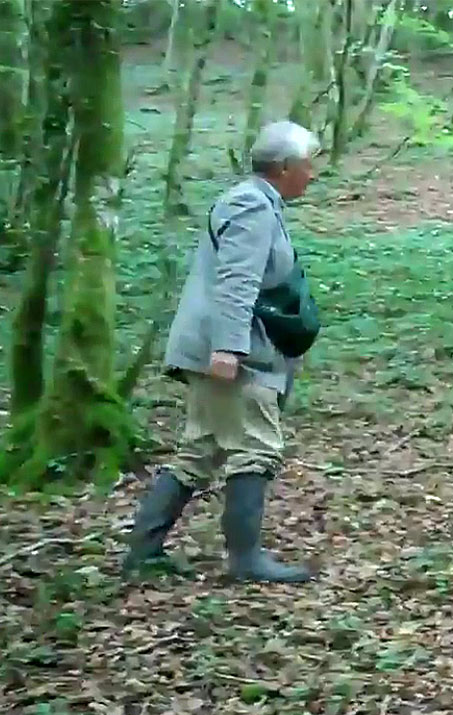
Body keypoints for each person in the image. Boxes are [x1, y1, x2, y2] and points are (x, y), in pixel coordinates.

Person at [122, 120, 323, 584]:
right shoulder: (251, 205)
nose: (312, 175)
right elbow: (237, 283)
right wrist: (229, 350)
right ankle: (246, 560)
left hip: (229, 350)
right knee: (257, 446)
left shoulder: (259, 204)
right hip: (234, 355)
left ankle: (144, 552)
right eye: (308, 166)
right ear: (285, 167)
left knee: (201, 449)